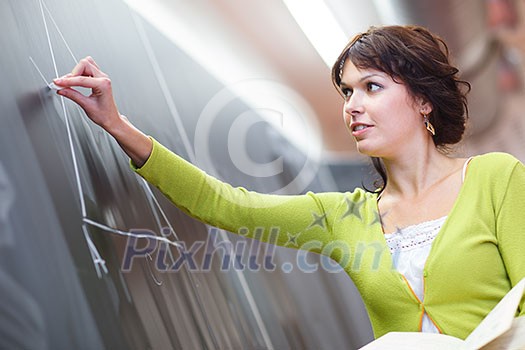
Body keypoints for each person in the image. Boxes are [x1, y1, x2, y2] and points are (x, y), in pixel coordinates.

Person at [53, 25, 525, 340]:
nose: (351, 106)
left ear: (424, 100)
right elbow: (226, 205)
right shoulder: (346, 217)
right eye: (347, 91)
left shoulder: (495, 178)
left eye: (372, 87)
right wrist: (117, 125)